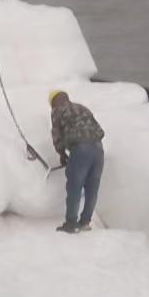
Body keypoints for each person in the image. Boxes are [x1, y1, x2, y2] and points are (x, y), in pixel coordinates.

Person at [49, 89, 105, 233]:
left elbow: (56, 135)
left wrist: (62, 154)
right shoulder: (82, 108)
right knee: (92, 188)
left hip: (81, 148)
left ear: (54, 102)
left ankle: (71, 223)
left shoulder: (58, 110)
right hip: (98, 148)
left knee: (75, 186)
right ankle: (85, 222)